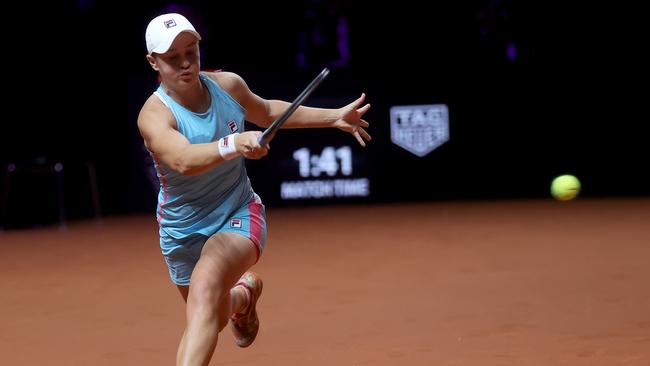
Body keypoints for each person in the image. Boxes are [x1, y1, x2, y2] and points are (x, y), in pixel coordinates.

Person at [137, 13, 371, 366]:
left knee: (204, 290)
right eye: (172, 58)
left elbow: (266, 111)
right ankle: (243, 297)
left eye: (192, 52)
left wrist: (333, 116)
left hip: (237, 213)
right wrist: (234, 142)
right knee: (210, 318)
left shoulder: (227, 86)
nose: (185, 64)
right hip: (181, 230)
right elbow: (183, 159)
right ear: (153, 61)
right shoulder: (154, 116)